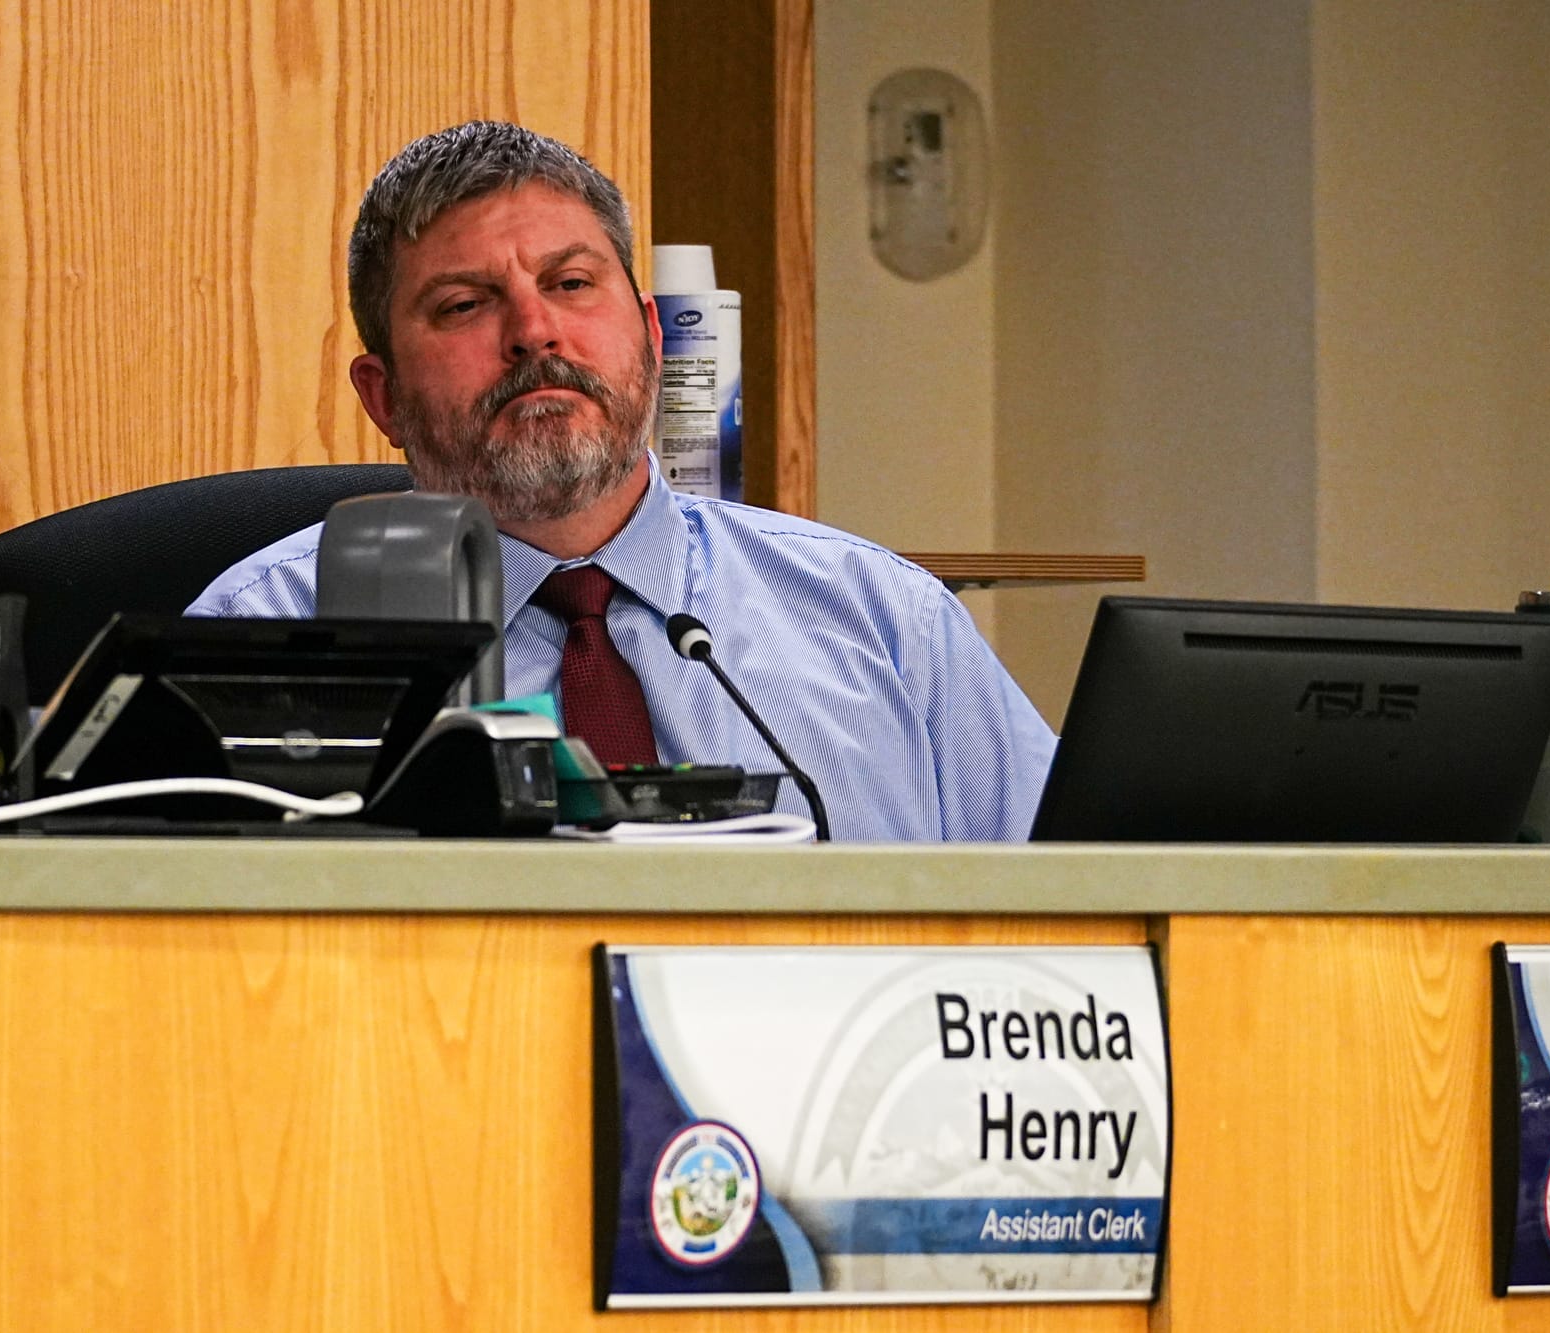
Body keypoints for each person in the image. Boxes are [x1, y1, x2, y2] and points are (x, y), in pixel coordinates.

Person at [189, 121, 1055, 840]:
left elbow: (1102, 909)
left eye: (571, 283)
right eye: (463, 305)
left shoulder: (884, 619)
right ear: (383, 397)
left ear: (653, 338)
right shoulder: (264, 634)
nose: (534, 331)